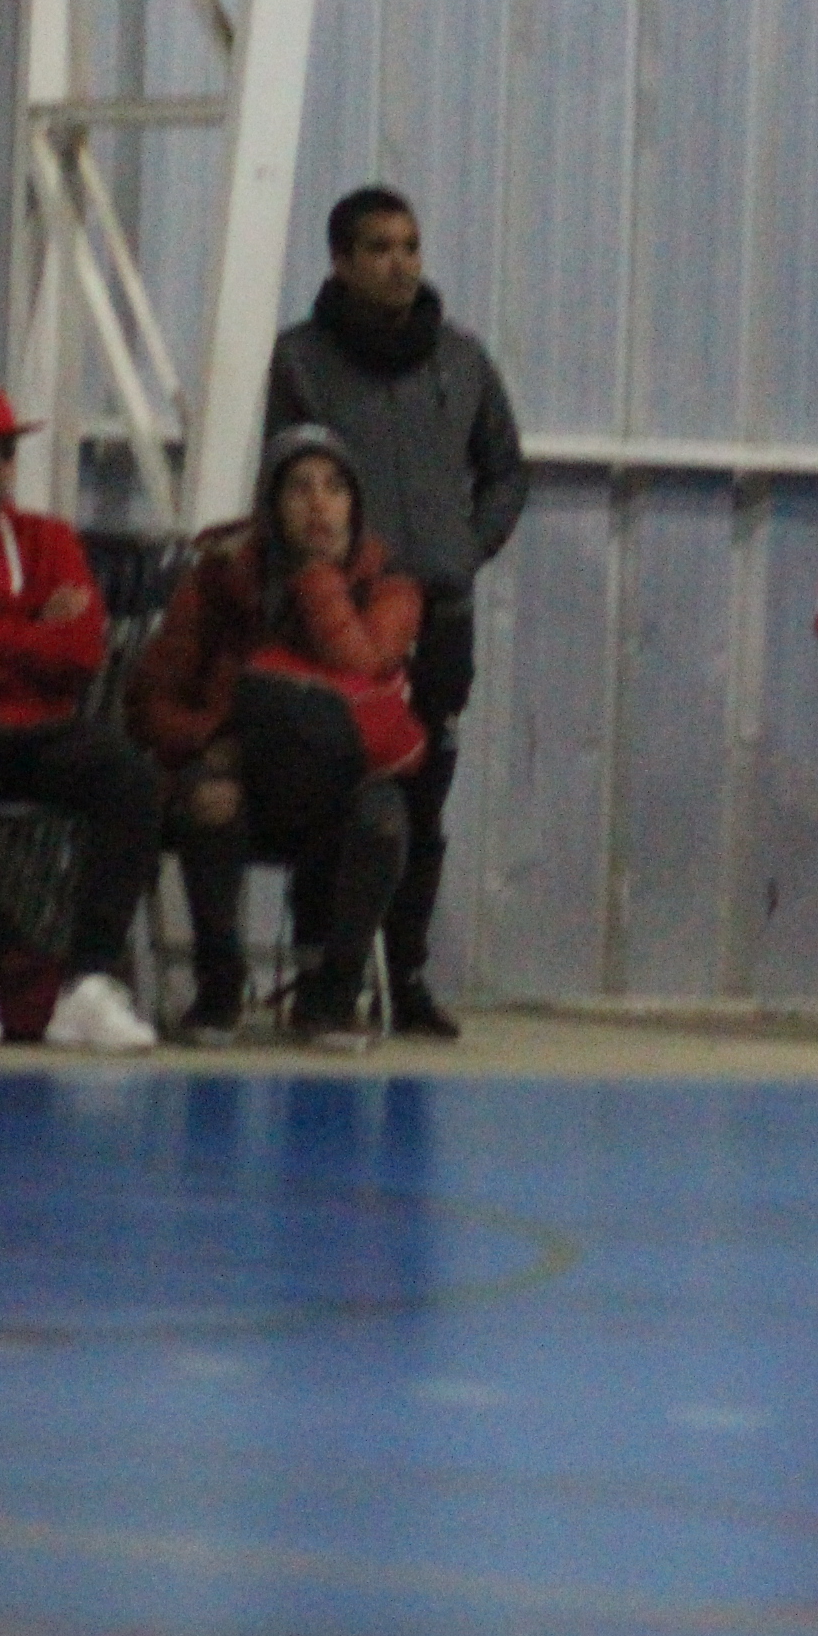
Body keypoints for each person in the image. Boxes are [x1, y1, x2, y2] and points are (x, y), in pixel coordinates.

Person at [265, 185, 528, 1042]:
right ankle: (323, 972)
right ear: (340, 261)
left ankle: (405, 977)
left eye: (410, 246)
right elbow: (276, 477)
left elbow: (507, 472)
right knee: (335, 793)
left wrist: (464, 550)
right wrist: (322, 573)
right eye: (378, 248)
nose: (400, 263)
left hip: (439, 616)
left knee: (424, 797)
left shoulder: (463, 360)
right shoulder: (300, 361)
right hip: (337, 619)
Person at [131, 426, 426, 1048]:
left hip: (337, 784)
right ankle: (219, 986)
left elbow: (361, 662)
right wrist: (210, 740)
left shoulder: (389, 583)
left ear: (356, 505)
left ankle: (333, 996)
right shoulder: (219, 576)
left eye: (335, 488)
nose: (319, 504)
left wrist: (316, 578)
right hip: (240, 778)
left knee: (384, 818)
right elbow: (150, 700)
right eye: (299, 488)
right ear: (271, 503)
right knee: (210, 800)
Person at [0, 382, 161, 1050]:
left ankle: (89, 983)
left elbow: (80, 653)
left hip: (40, 730)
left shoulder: (48, 540)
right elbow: (48, 649)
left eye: (5, 455)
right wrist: (31, 631)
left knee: (130, 778)